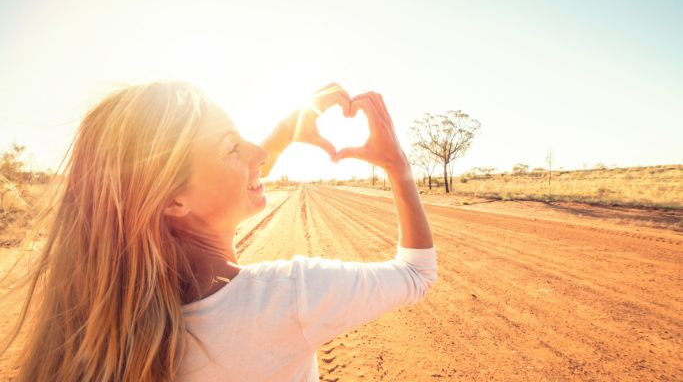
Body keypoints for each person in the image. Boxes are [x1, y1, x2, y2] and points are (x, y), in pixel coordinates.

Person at [1, 81, 436, 381]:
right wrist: (397, 165)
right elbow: (417, 274)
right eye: (232, 145)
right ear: (173, 202)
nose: (260, 152)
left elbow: (208, 186)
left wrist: (283, 134)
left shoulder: (100, 327)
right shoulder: (291, 296)